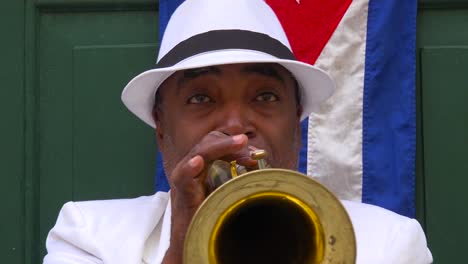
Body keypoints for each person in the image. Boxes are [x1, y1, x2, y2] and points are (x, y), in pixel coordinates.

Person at [43, 0, 433, 263]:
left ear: (296, 119)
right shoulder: (88, 235)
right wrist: (181, 249)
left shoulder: (389, 243)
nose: (234, 127)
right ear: (161, 126)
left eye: (264, 96)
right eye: (201, 99)